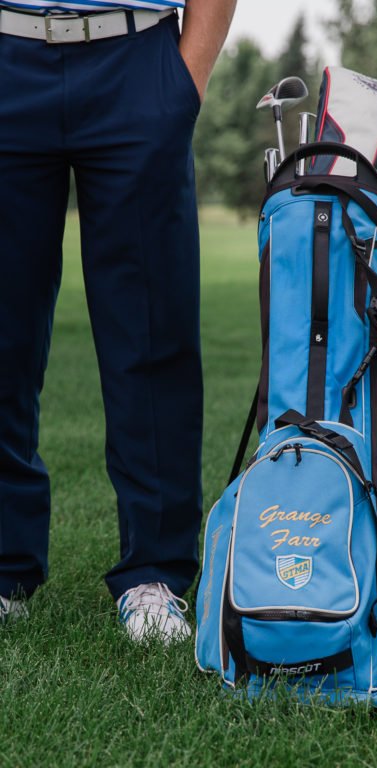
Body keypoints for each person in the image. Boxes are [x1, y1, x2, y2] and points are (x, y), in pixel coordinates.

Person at [0, 0, 236, 643]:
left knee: (150, 335)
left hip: (138, 63)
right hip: (7, 55)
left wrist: (185, 81)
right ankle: (3, 569)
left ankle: (153, 576)